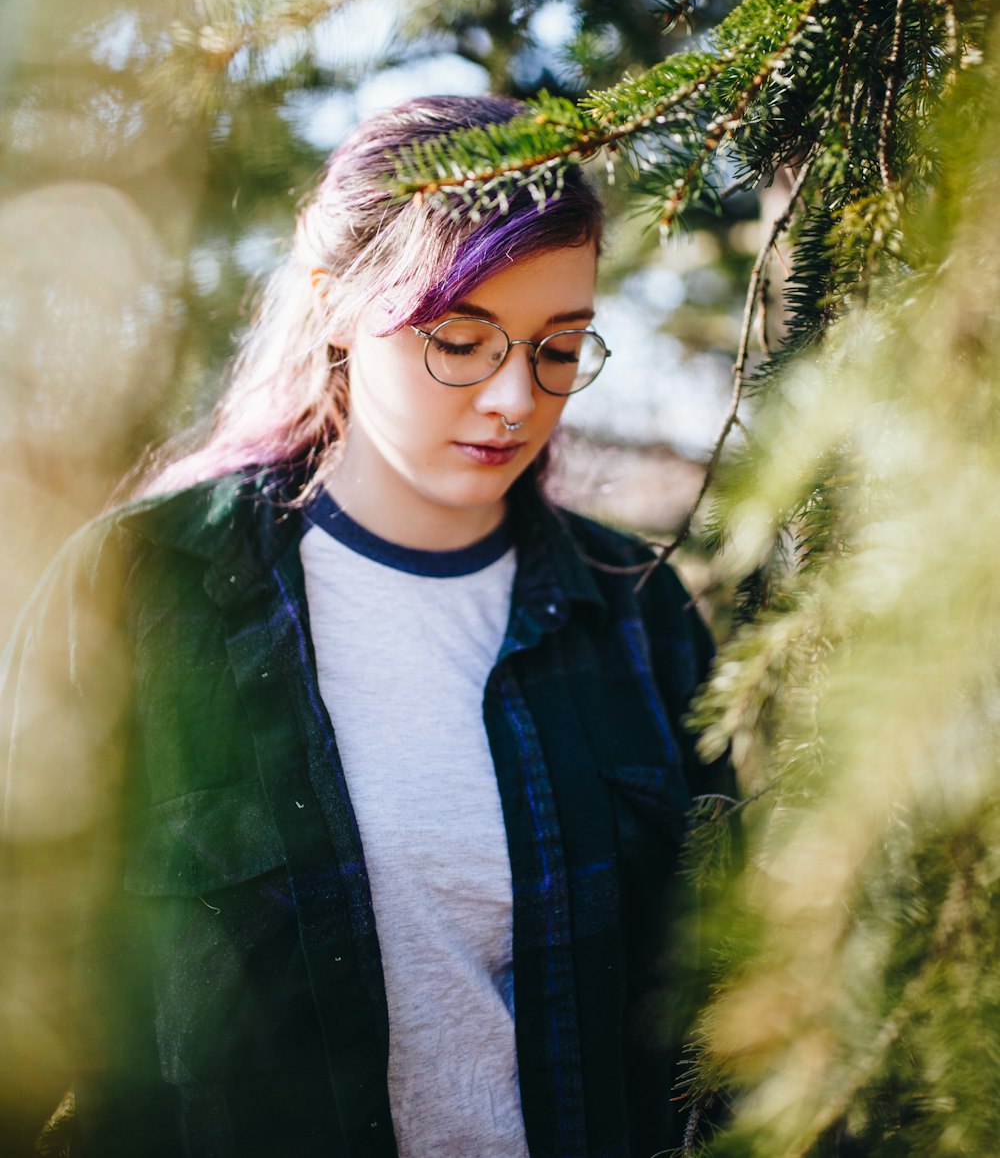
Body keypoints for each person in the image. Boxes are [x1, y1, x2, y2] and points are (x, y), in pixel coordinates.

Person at [2, 95, 730, 1158]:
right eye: (459, 341)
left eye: (558, 348)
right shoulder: (138, 588)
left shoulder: (638, 610)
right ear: (334, 305)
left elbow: (730, 1025)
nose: (514, 400)